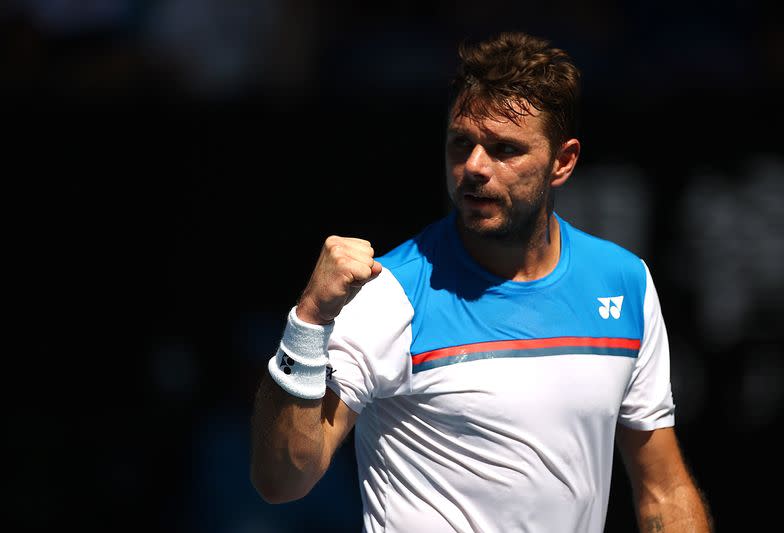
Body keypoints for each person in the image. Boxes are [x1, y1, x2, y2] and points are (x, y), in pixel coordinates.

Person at [250, 30, 713, 533]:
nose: (473, 167)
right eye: (461, 143)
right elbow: (281, 481)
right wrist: (309, 320)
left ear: (563, 161)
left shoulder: (625, 284)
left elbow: (663, 493)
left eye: (504, 149)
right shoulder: (387, 293)